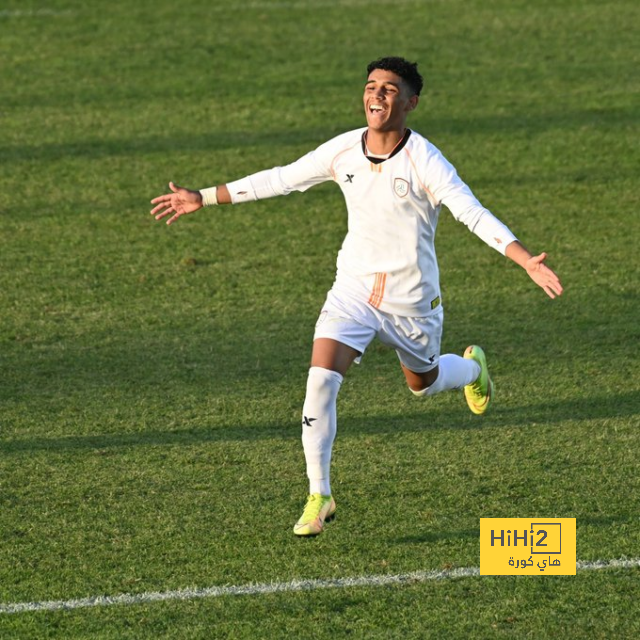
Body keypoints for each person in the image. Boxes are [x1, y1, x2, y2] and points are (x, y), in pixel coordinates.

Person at [150, 56, 563, 537]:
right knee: (320, 381)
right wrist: (204, 195)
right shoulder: (344, 149)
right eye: (371, 87)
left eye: (390, 89)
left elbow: (472, 213)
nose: (377, 95)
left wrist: (523, 258)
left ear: (410, 102)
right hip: (353, 293)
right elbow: (281, 178)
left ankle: (473, 368)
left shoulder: (426, 160)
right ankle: (319, 494)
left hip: (412, 303)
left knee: (423, 384)